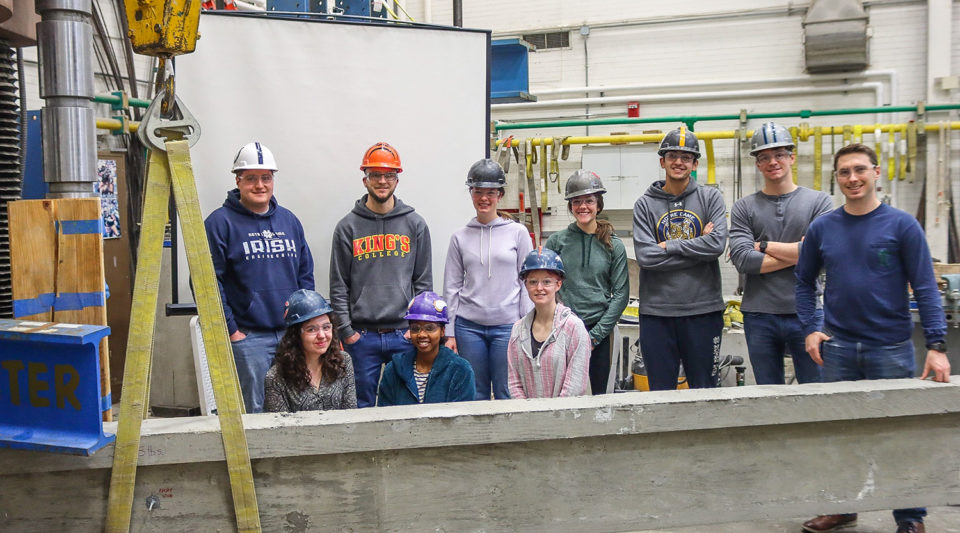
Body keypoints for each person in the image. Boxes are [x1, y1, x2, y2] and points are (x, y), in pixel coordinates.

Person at [796, 143, 950, 533]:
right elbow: (803, 281)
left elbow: (927, 287)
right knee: (841, 435)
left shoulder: (901, 226)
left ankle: (910, 519)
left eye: (860, 170)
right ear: (837, 177)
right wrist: (811, 326)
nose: (853, 178)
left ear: (876, 172)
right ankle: (843, 507)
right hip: (839, 349)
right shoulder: (822, 228)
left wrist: (936, 346)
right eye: (844, 172)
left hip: (892, 349)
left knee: (898, 436)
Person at [205, 141, 314, 413]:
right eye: (251, 178)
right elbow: (207, 283)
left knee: (297, 404)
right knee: (254, 409)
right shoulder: (220, 223)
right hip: (249, 338)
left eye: (266, 178)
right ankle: (254, 458)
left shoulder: (289, 221)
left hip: (291, 334)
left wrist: (305, 324)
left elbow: (305, 275)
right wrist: (232, 331)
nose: (259, 185)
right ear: (238, 181)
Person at [329, 142, 433, 408]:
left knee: (407, 403)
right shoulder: (347, 227)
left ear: (397, 179)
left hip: (403, 335)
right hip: (362, 337)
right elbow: (339, 285)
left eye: (389, 175)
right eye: (376, 175)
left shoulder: (415, 224)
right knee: (360, 406)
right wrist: (346, 332)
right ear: (365, 179)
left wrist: (417, 329)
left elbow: (423, 284)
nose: (382, 181)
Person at [729, 122, 833, 385]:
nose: (772, 161)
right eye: (764, 157)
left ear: (792, 157)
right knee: (768, 397)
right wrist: (800, 252)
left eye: (779, 154)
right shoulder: (744, 207)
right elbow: (742, 260)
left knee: (816, 393)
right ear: (757, 164)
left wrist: (763, 246)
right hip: (759, 315)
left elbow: (823, 256)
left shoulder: (819, 202)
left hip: (807, 315)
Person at [632, 126, 728, 391]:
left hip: (703, 311)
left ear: (695, 163)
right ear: (662, 161)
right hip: (657, 314)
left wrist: (668, 246)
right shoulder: (644, 204)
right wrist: (698, 249)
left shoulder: (711, 198)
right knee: (660, 393)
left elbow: (717, 245)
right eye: (672, 155)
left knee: (704, 390)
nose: (678, 162)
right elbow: (646, 256)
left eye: (686, 157)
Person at [443, 159, 533, 400]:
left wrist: (528, 325)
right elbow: (451, 287)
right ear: (471, 193)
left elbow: (527, 282)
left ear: (500, 195)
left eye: (490, 193)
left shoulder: (518, 232)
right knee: (475, 392)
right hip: (469, 328)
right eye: (478, 192)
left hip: (507, 327)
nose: (484, 198)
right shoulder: (459, 237)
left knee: (507, 391)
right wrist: (449, 332)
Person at [544, 170, 629, 394]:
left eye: (589, 201)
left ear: (598, 204)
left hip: (601, 332)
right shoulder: (556, 242)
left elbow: (621, 295)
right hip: (564, 329)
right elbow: (546, 288)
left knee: (602, 396)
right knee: (563, 394)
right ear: (570, 206)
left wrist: (595, 336)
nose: (583, 207)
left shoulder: (614, 245)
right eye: (577, 201)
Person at [507, 248, 590, 398]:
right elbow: (514, 382)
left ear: (558, 284)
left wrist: (552, 418)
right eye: (533, 282)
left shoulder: (573, 328)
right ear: (525, 285)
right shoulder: (518, 331)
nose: (539, 288)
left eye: (546, 281)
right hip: (527, 418)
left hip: (564, 418)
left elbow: (575, 385)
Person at [264, 289, 357, 412]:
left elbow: (350, 413)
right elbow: (281, 428)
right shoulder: (276, 377)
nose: (322, 335)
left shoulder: (343, 361)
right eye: (311, 329)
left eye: (326, 327)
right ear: (296, 335)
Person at [377, 291, 476, 405]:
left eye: (429, 328)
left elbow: (462, 418)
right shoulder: (393, 369)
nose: (422, 334)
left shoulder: (460, 370)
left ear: (442, 331)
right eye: (415, 328)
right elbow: (385, 414)